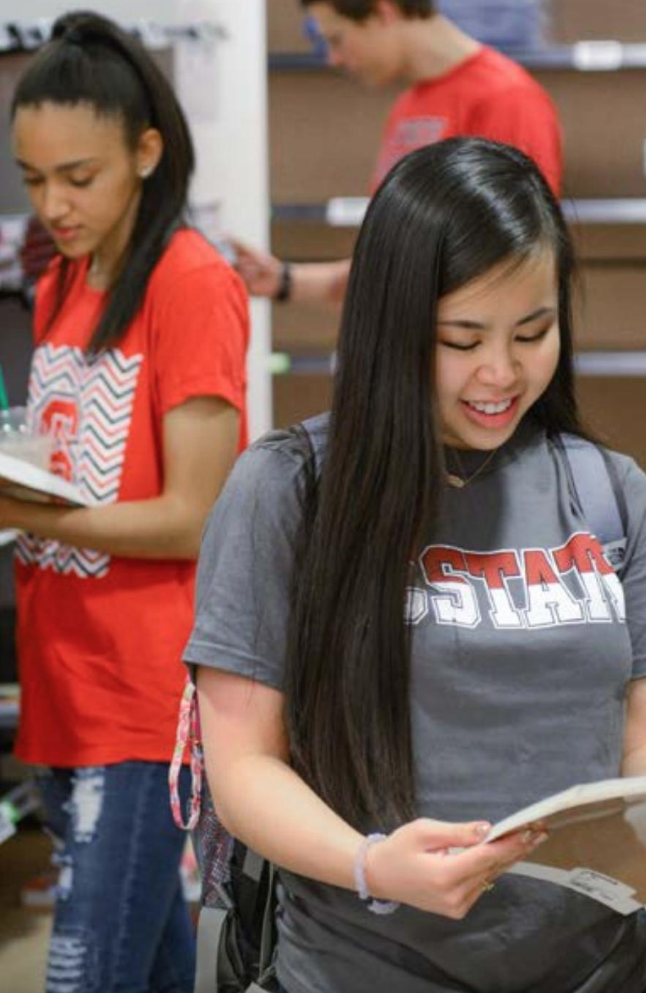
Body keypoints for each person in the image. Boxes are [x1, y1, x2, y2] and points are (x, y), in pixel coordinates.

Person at [185, 137, 646, 993]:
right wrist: (370, 865)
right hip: (361, 967)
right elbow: (243, 764)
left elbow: (636, 736)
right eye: (460, 339)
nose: (500, 372)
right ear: (390, 328)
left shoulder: (611, 490)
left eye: (532, 331)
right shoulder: (289, 490)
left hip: (596, 968)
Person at [0, 11, 249, 993]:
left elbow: (195, 513)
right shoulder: (65, 277)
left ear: (146, 153)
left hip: (145, 704)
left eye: (79, 177)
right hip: (64, 684)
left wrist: (9, 515)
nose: (53, 204)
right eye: (32, 180)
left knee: (84, 972)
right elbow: (77, 467)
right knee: (143, 971)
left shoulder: (190, 283)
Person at [236, 0, 563, 304]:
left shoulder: (506, 99)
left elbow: (517, 264)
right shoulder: (410, 107)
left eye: (337, 38)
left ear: (382, 12)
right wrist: (286, 281)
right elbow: (398, 260)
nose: (333, 58)